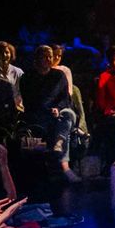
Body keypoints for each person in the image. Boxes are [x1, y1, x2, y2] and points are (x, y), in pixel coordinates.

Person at [20, 45, 81, 183]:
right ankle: (64, 168)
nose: (49, 59)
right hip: (37, 114)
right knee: (61, 128)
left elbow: (65, 99)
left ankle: (59, 143)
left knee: (68, 115)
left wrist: (57, 108)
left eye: (50, 56)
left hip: (57, 112)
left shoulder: (59, 76)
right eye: (45, 56)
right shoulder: (27, 77)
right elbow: (29, 100)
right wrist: (48, 109)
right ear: (37, 59)